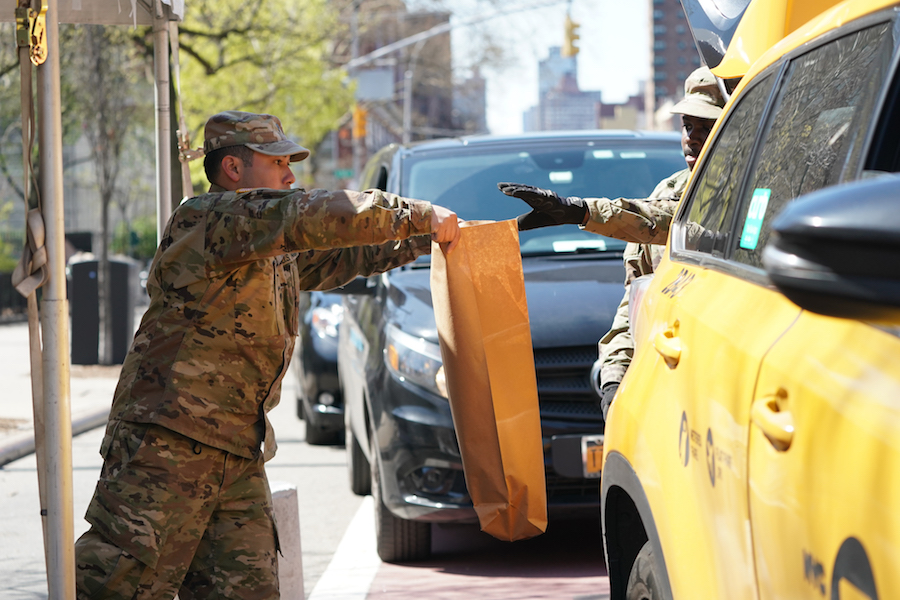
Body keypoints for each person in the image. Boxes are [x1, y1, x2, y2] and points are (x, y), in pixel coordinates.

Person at [74, 110, 460, 600]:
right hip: (166, 445)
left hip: (237, 451)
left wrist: (426, 238)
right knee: (121, 588)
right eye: (277, 161)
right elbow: (313, 213)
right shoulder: (210, 218)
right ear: (234, 169)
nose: (290, 174)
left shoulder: (267, 245)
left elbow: (344, 255)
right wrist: (417, 213)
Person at [499, 67, 726, 421]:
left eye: (707, 127)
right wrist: (614, 378)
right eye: (687, 126)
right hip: (662, 388)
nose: (692, 139)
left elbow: (674, 224)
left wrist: (578, 210)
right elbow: (635, 304)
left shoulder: (751, 196)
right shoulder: (667, 191)